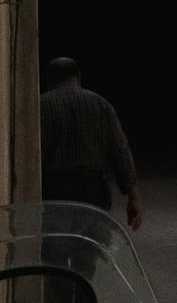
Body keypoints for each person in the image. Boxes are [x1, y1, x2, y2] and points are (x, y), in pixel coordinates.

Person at [39, 55, 143, 231]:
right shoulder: (100, 104)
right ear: (78, 77)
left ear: (49, 79)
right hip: (92, 189)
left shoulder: (41, 106)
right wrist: (133, 196)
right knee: (88, 250)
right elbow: (120, 150)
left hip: (55, 190)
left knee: (55, 251)